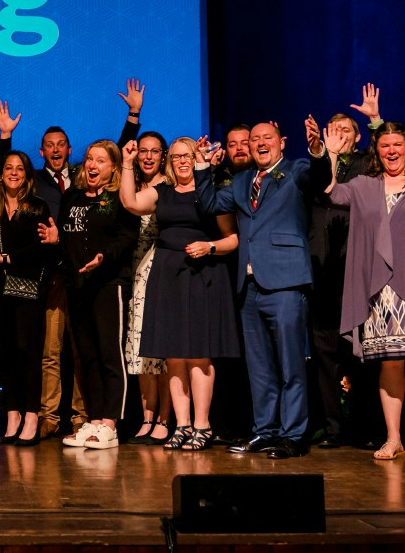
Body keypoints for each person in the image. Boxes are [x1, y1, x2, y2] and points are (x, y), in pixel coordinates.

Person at [325, 120, 405, 462]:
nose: (391, 151)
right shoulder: (363, 185)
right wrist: (332, 155)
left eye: (397, 144)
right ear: (376, 151)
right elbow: (329, 192)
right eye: (385, 146)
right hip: (379, 291)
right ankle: (394, 438)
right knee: (390, 363)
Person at [205, 116, 332, 459]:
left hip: (286, 282)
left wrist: (319, 150)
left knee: (291, 364)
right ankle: (265, 431)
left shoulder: (296, 170)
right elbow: (211, 204)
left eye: (267, 138)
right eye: (254, 140)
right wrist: (205, 169)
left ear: (281, 141)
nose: (260, 143)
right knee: (259, 368)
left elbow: (320, 179)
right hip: (249, 285)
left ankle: (293, 435)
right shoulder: (242, 180)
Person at [123, 136, 240, 451]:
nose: (181, 161)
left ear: (195, 157)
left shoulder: (209, 193)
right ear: (169, 161)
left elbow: (232, 239)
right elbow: (130, 203)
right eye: (175, 157)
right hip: (169, 274)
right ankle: (182, 425)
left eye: (187, 156)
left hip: (203, 274)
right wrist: (126, 163)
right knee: (173, 356)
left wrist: (210, 246)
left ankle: (203, 425)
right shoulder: (161, 192)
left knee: (199, 355)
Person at [41, 139, 139, 450]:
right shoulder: (72, 196)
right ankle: (95, 419)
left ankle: (111, 421)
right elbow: (68, 239)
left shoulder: (118, 197)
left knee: (110, 354)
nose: (93, 165)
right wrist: (57, 241)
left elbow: (128, 237)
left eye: (100, 160)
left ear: (112, 167)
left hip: (109, 284)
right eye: (89, 159)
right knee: (88, 356)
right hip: (78, 286)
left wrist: (103, 259)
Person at [0, 151, 52, 445]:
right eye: (9, 168)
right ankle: (13, 413)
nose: (14, 173)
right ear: (1, 174)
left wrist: (3, 258)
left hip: (29, 291)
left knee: (27, 352)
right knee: (5, 353)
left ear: (28, 176)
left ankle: (32, 414)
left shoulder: (38, 208)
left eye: (20, 168)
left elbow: (41, 251)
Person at [307, 99, 370, 450]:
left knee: (360, 354)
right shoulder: (315, 166)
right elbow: (320, 186)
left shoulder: (366, 164)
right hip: (322, 271)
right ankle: (333, 428)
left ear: (358, 137)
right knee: (325, 353)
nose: (339, 135)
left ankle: (363, 424)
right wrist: (325, 153)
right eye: (334, 130)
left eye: (346, 130)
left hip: (357, 270)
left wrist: (374, 119)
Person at [120, 131, 171, 445]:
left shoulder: (168, 187)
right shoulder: (131, 185)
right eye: (143, 151)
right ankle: (147, 418)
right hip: (135, 274)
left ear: (163, 155)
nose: (149, 156)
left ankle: (166, 417)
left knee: (162, 350)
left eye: (155, 151)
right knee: (139, 350)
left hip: (162, 271)